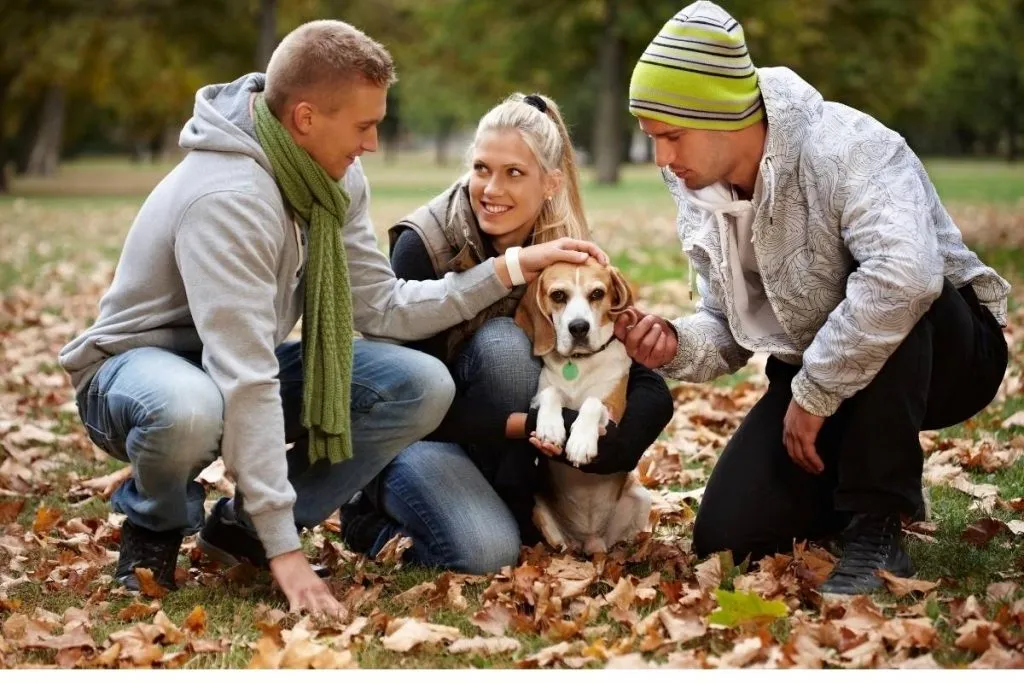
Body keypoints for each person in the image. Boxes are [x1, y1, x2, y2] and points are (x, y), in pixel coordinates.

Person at [57, 21, 604, 615]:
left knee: (420, 385)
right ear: (307, 119)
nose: (371, 144)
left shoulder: (331, 175)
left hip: (233, 366)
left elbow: (382, 306)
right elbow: (244, 375)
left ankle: (239, 533)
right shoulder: (229, 199)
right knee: (190, 408)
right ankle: (154, 532)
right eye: (364, 127)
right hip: (138, 376)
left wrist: (506, 270)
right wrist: (287, 553)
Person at [617, 1, 1010, 596]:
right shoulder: (694, 183)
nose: (663, 159)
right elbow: (726, 324)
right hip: (819, 365)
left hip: (950, 352)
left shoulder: (849, 146)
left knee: (898, 293)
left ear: (724, 114)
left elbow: (906, 275)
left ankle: (878, 524)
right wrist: (672, 343)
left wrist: (816, 391)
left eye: (672, 136)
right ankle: (862, 475)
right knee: (727, 539)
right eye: (651, 139)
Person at [335, 93, 675, 569]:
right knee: (484, 551)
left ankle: (502, 505)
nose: (491, 189)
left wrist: (623, 441)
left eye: (514, 173)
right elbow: (401, 397)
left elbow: (633, 374)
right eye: (481, 169)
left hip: (502, 454)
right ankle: (367, 521)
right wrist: (528, 426)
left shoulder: (563, 246)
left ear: (551, 182)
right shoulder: (423, 247)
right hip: (416, 439)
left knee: (508, 546)